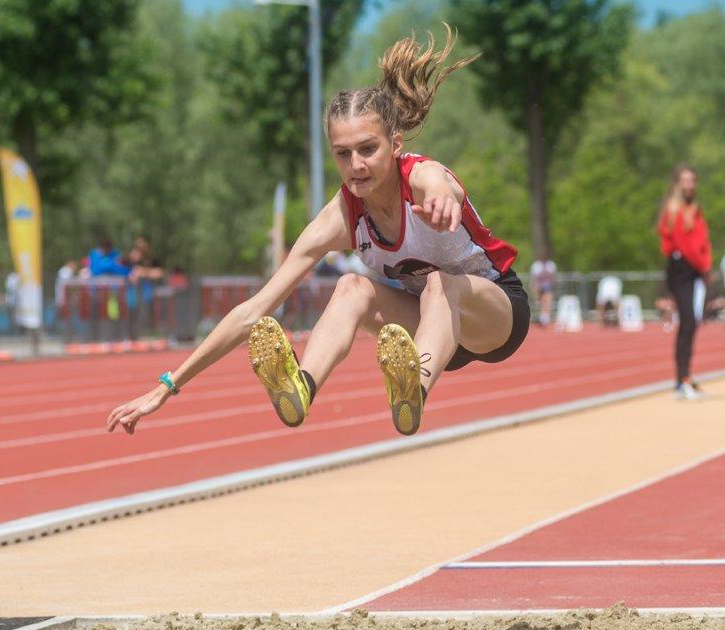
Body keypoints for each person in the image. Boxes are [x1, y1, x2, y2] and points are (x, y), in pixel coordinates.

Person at [108, 26, 528, 439]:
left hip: (494, 316)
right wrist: (167, 386)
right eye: (342, 154)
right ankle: (302, 387)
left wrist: (442, 197)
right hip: (428, 331)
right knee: (349, 286)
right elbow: (255, 310)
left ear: (395, 144)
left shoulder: (419, 178)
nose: (356, 165)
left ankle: (411, 390)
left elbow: (440, 181)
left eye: (368, 149)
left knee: (441, 284)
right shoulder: (341, 217)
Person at [657, 166, 712, 399]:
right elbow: (684, 244)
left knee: (692, 323)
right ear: (678, 184)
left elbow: (703, 241)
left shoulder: (695, 210)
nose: (690, 185)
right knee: (688, 322)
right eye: (685, 180)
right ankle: (682, 380)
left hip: (695, 269)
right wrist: (704, 265)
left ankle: (685, 376)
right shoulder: (675, 210)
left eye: (693, 180)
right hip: (682, 269)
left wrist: (705, 264)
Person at [530, 254, 557, 325]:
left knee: (547, 300)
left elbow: (553, 277)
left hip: (548, 285)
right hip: (539, 286)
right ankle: (543, 316)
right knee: (541, 301)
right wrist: (535, 288)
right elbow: (534, 278)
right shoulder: (536, 265)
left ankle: (546, 317)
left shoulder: (551, 265)